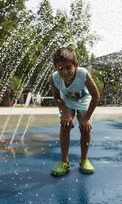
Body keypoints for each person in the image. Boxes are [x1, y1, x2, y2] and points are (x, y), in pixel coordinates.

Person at [49, 47, 100, 176]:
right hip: (67, 102)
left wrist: (87, 118)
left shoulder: (83, 74)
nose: (65, 72)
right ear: (56, 68)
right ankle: (65, 162)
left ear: (76, 65)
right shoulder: (54, 78)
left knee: (85, 128)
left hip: (84, 102)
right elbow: (57, 97)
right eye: (60, 69)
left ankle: (84, 159)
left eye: (68, 68)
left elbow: (96, 95)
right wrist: (66, 114)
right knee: (64, 126)